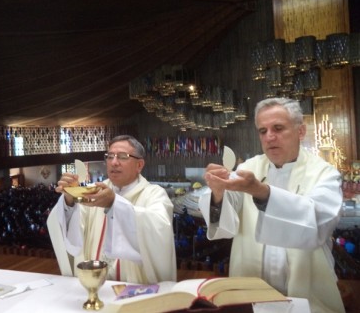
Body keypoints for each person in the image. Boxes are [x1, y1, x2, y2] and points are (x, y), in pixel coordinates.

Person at [198, 97, 345, 313]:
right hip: (251, 289)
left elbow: (318, 222)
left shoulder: (324, 173)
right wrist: (218, 192)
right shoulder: (249, 167)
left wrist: (261, 192)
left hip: (306, 294)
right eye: (263, 130)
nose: (270, 137)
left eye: (278, 128)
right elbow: (225, 225)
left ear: (300, 131)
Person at [47, 135, 177, 284]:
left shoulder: (154, 194)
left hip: (135, 286)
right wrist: (70, 200)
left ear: (139, 165)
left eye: (122, 157)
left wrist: (114, 204)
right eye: (110, 156)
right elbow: (70, 229)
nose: (114, 162)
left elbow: (159, 230)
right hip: (94, 283)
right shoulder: (93, 191)